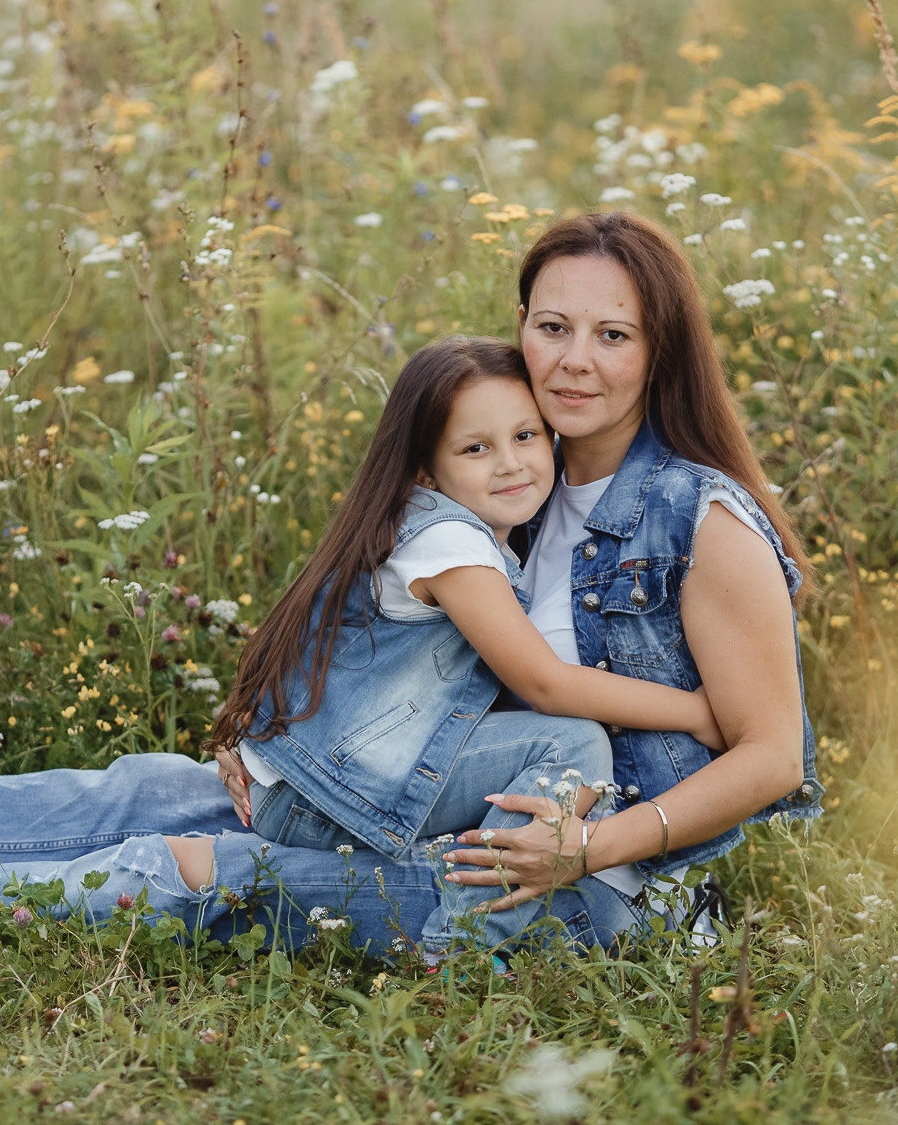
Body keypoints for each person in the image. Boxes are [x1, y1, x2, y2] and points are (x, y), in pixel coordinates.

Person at [0, 210, 819, 957]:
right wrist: (290, 730)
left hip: (581, 884)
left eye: (611, 335)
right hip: (426, 802)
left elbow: (769, 755)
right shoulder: (520, 477)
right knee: (148, 791)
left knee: (184, 867)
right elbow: (413, 659)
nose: (573, 360)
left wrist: (585, 848)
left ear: (657, 349)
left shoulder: (701, 519)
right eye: (552, 326)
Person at [205, 334, 723, 954]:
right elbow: (543, 683)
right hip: (319, 798)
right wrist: (696, 711)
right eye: (476, 448)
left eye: (525, 436)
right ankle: (462, 947)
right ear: (426, 467)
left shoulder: (432, 524)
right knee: (572, 744)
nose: (509, 463)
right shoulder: (451, 543)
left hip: (306, 778)